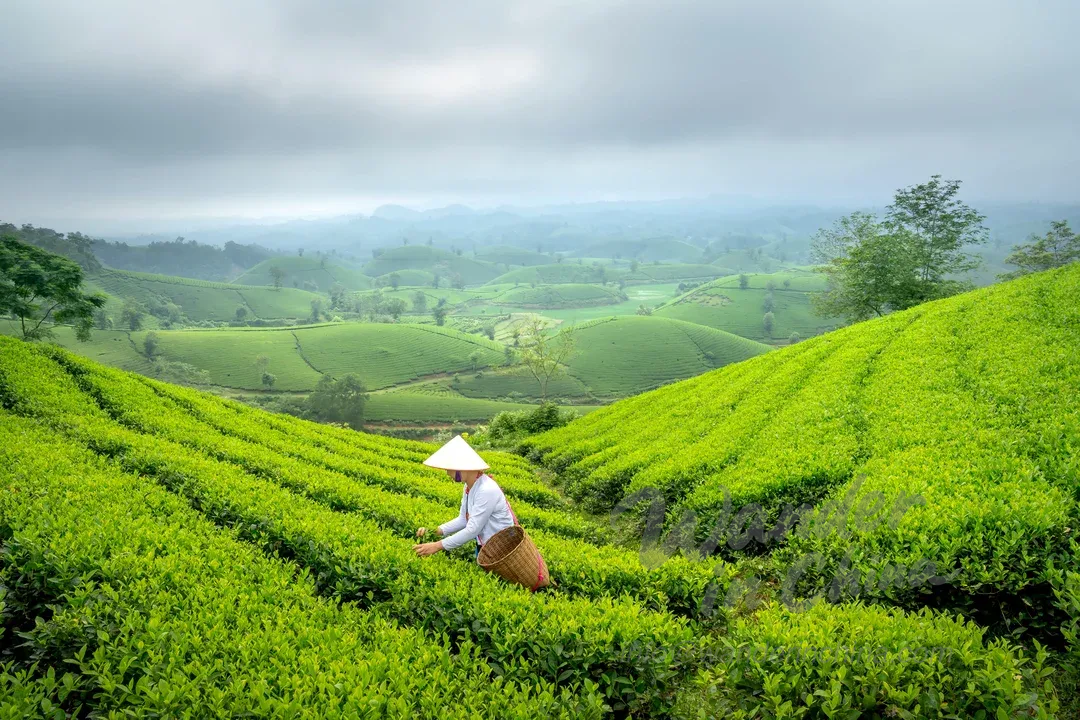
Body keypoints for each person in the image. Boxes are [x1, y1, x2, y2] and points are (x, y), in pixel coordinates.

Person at [413, 435, 516, 560]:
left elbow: (472, 529)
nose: (447, 473)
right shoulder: (469, 486)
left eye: (449, 469)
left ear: (461, 468)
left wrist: (437, 546)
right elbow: (463, 519)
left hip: (503, 550)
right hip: (486, 545)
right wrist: (435, 531)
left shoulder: (486, 489)